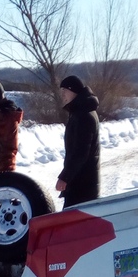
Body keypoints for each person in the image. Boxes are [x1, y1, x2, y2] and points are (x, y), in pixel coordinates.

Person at [56, 75, 100, 207]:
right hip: (80, 182)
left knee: (74, 218)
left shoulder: (84, 116)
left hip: (83, 185)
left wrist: (65, 177)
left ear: (73, 90)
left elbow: (80, 152)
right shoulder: (80, 112)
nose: (62, 94)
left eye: (65, 90)